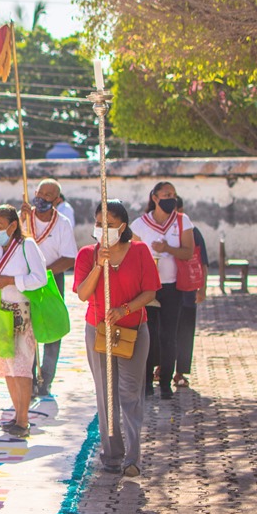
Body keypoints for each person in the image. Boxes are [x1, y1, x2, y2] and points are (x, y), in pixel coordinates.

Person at [75, 200, 160, 478]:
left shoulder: (140, 251)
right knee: (105, 394)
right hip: (98, 330)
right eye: (99, 224)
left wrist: (125, 309)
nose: (103, 229)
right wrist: (99, 265)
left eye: (109, 224)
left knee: (130, 394)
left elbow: (150, 292)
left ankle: (133, 458)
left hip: (133, 330)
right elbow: (83, 294)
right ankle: (111, 455)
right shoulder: (87, 254)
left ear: (122, 226)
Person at [0, 206, 47, 438]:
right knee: (7, 367)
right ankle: (16, 415)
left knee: (22, 369)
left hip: (21, 314)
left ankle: (24, 421)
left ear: (13, 225)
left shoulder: (27, 246)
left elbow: (40, 278)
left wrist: (12, 281)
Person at [130, 181, 194, 399]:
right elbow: (133, 254)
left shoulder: (182, 221)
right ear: (155, 198)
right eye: (166, 194)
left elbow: (188, 252)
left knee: (169, 335)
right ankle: (146, 381)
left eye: (173, 194)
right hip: (148, 288)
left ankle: (165, 382)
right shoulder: (140, 224)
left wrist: (166, 248)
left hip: (173, 286)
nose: (171, 198)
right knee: (148, 334)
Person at [21, 179, 78, 397]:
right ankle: (30, 377)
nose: (42, 198)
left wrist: (44, 273)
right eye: (40, 193)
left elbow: (69, 258)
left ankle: (46, 378)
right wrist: (20, 219)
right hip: (26, 280)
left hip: (52, 279)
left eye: (48, 195)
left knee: (52, 327)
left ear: (56, 200)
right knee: (27, 327)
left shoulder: (62, 223)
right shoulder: (25, 217)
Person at [173, 196, 206, 389]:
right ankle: (161, 367)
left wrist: (202, 288)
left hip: (187, 291)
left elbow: (203, 261)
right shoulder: (154, 230)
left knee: (185, 332)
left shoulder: (192, 232)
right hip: (165, 290)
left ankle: (181, 371)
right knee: (163, 332)